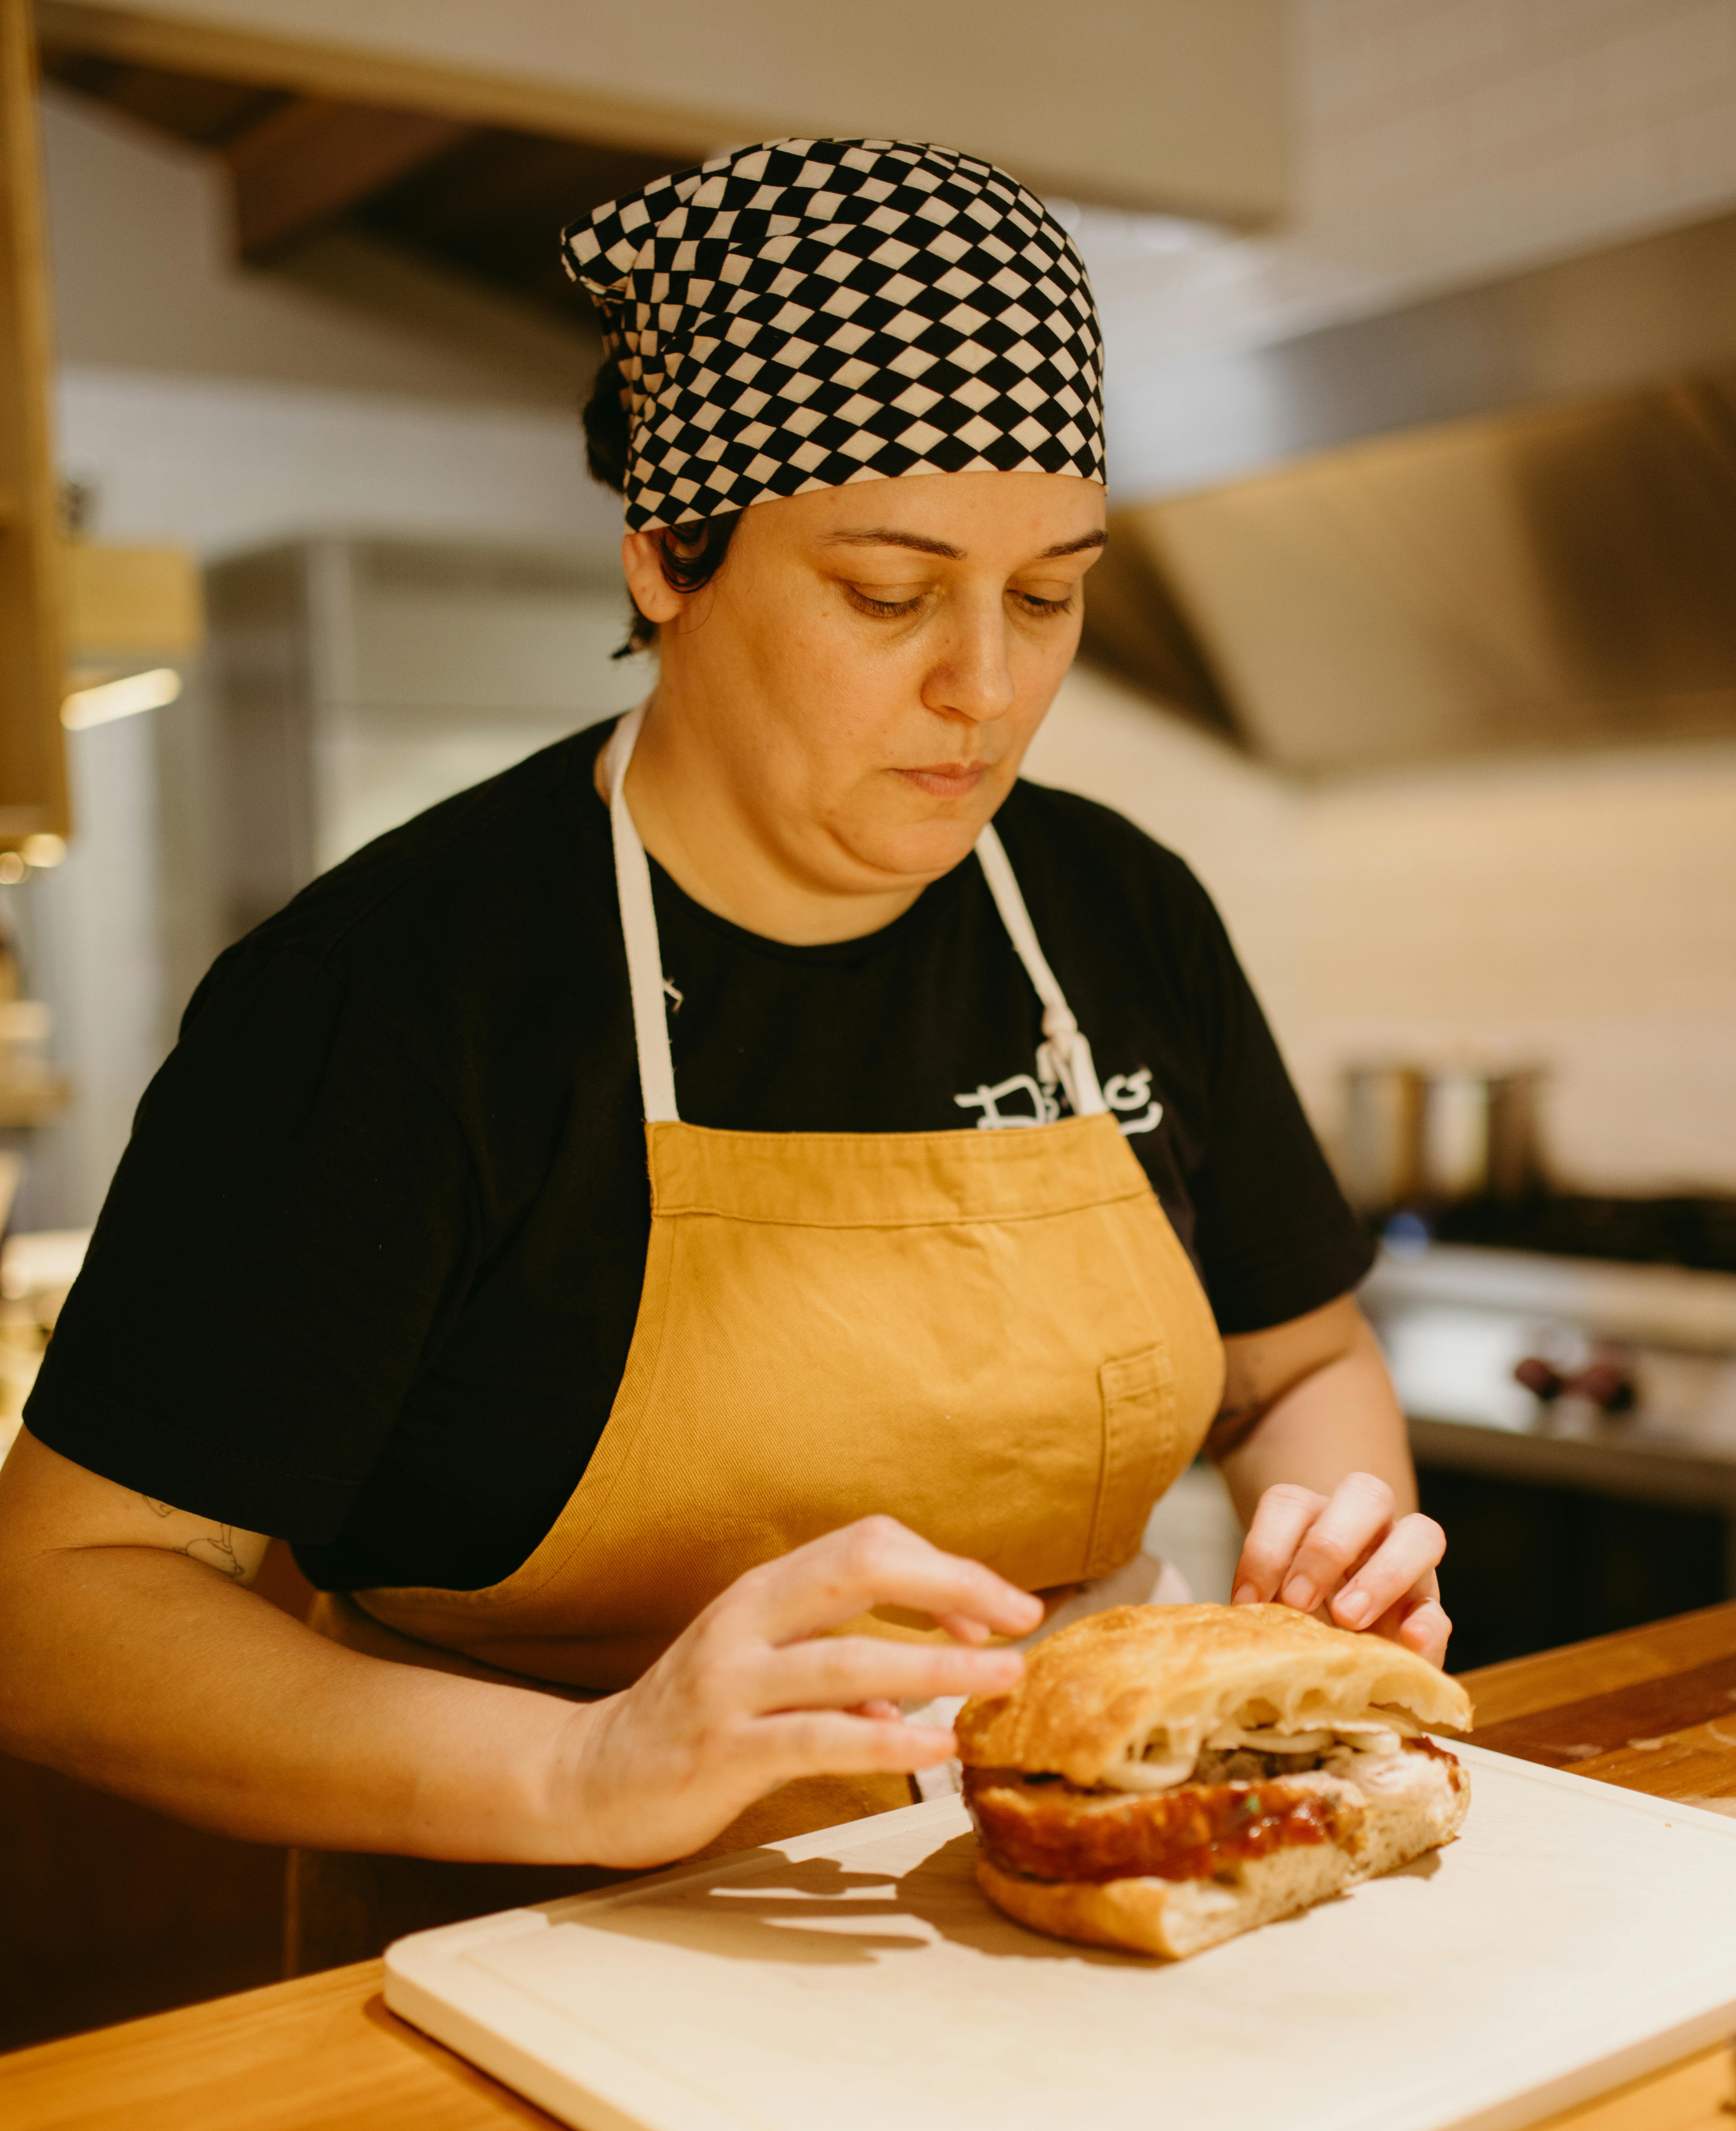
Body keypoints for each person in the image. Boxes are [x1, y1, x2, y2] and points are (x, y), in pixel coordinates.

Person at [0, 140, 1447, 1965]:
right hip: (531, 1944)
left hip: (1092, 1903)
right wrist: (589, 1769)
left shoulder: (1119, 909)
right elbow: (57, 1612)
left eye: (1053, 591)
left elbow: (1298, 1359)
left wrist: (1341, 1543)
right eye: (888, 591)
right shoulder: (394, 988)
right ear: (670, 555)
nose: (988, 686)